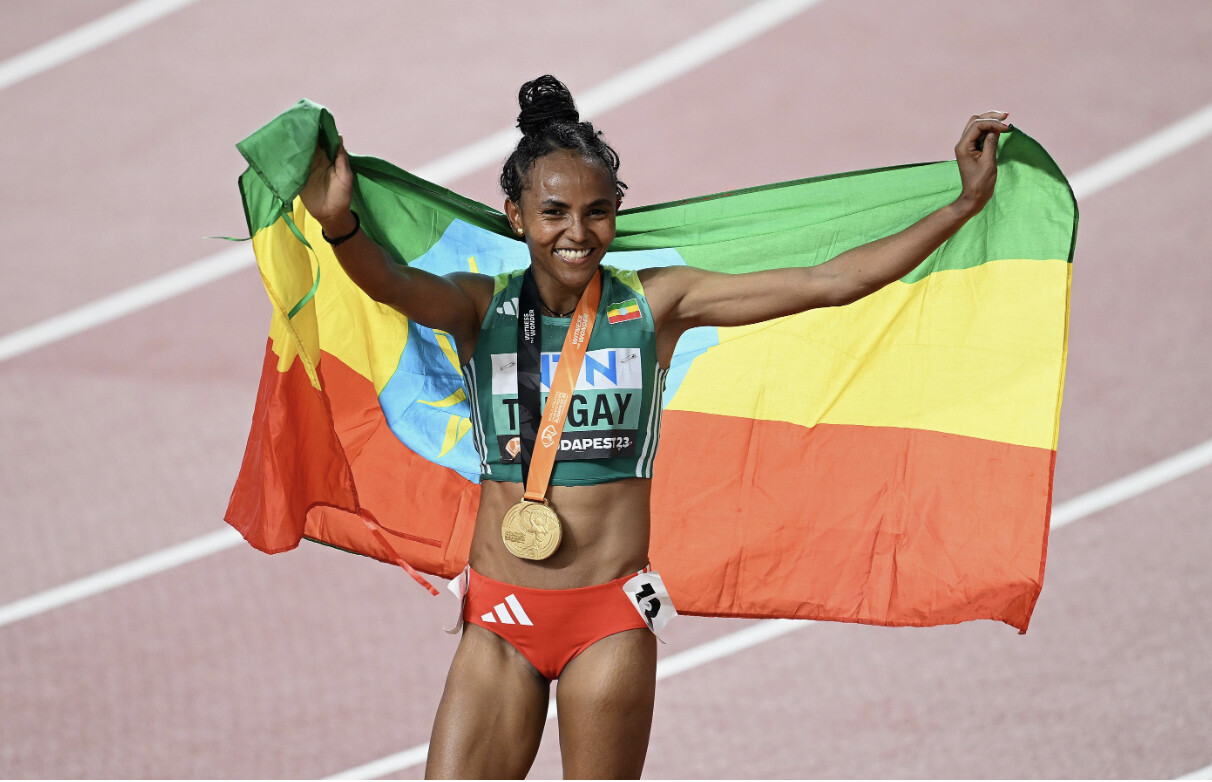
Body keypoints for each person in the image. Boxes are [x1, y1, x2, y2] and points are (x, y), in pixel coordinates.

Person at [299, 74, 1008, 779]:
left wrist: (964, 205)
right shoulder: (480, 308)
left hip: (607, 621)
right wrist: (339, 225)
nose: (578, 233)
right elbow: (389, 282)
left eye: (597, 212)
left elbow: (831, 282)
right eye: (553, 213)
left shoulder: (656, 305)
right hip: (499, 621)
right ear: (515, 216)